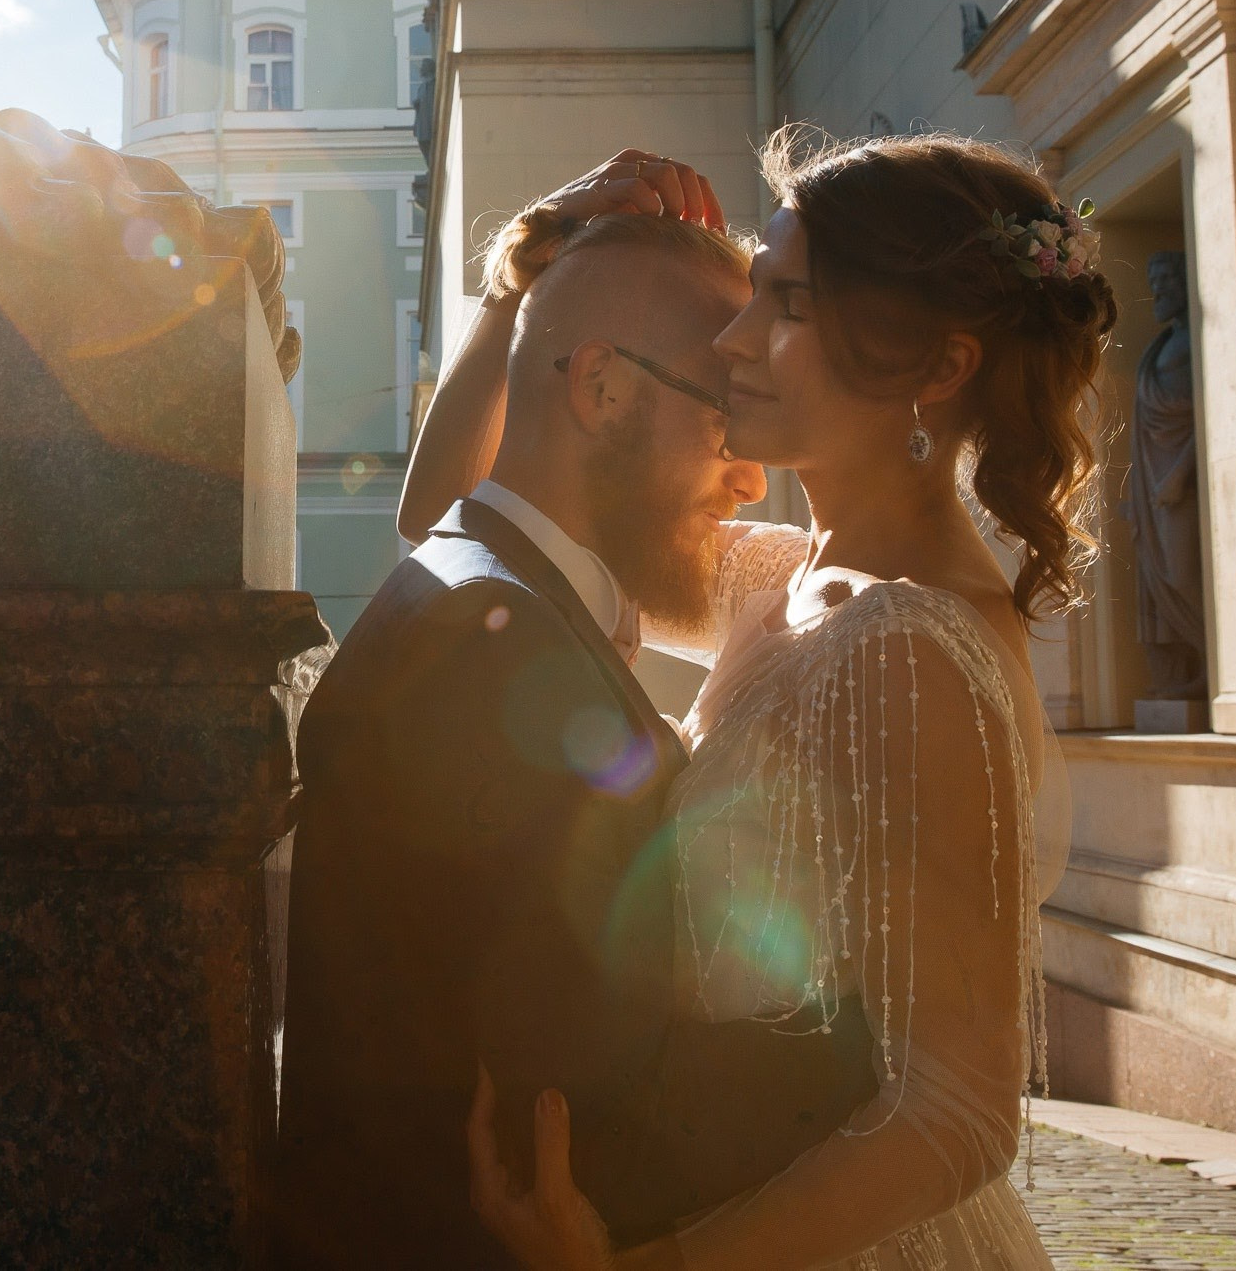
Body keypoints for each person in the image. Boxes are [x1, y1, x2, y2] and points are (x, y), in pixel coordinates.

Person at [417, 132, 1110, 1271]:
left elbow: (959, 1110)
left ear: (935, 368)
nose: (733, 336)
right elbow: (466, 517)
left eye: (785, 302)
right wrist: (527, 272)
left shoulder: (915, 645)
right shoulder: (782, 578)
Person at [269, 154, 880, 1269]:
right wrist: (887, 1033)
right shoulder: (491, 653)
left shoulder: (475, 581)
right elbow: (588, 1114)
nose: (750, 480)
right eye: (722, 425)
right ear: (601, 388)